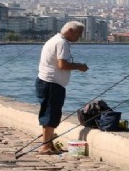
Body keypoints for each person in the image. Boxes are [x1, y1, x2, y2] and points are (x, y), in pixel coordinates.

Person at [35, 21, 89, 154]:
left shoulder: (54, 39)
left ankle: (48, 142)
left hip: (46, 82)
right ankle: (45, 147)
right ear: (70, 30)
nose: (79, 37)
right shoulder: (62, 43)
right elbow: (62, 65)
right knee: (50, 114)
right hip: (52, 84)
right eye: (79, 34)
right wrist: (79, 66)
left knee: (49, 112)